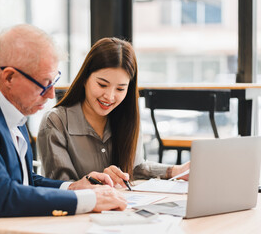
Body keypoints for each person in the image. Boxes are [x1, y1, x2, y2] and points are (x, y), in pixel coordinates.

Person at [0, 25, 127, 234]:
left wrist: (73, 188)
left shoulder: (12, 111)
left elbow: (25, 181)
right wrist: (89, 199)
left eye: (54, 81)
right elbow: (3, 196)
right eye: (45, 84)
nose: (51, 94)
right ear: (9, 77)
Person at [37, 37, 189, 188]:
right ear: (84, 78)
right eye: (102, 85)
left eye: (120, 89)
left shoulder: (127, 118)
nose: (109, 97)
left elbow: (135, 167)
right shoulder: (56, 122)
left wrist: (176, 171)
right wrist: (99, 181)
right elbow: (60, 186)